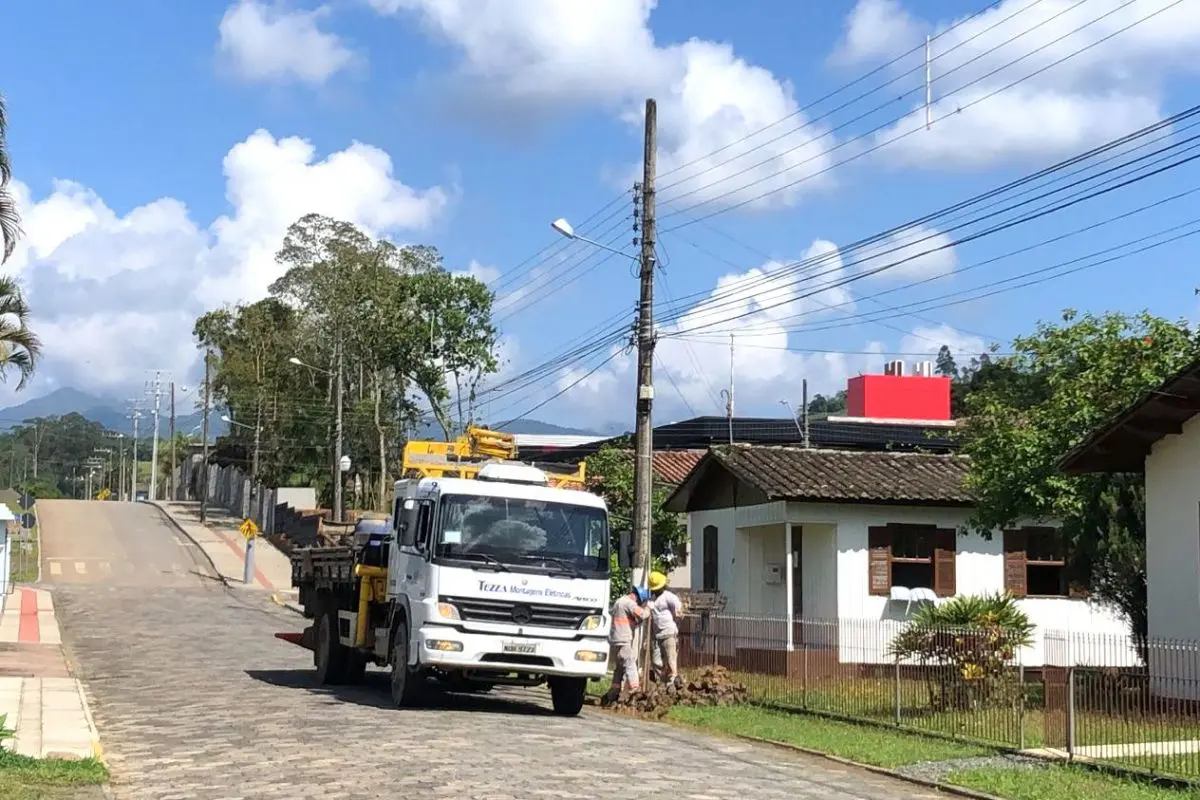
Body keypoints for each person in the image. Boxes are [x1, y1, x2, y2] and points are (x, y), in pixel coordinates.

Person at [601, 585, 652, 704]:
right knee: (630, 663)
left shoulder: (619, 602)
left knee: (619, 668)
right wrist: (649, 608)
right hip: (623, 640)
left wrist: (636, 622)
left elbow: (630, 620)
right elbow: (643, 614)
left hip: (614, 640)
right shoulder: (629, 603)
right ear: (638, 598)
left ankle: (613, 692)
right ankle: (635, 689)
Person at [648, 571, 683, 688]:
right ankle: (663, 682)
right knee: (656, 661)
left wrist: (678, 617)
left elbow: (679, 611)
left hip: (668, 633)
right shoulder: (652, 599)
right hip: (656, 635)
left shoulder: (669, 596)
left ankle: (672, 683)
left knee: (671, 660)